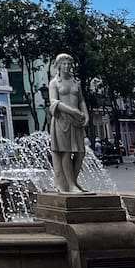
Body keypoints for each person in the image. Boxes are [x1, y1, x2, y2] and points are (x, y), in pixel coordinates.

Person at [48, 53, 89, 193]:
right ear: (58, 66)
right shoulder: (54, 83)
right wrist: (72, 111)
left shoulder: (75, 82)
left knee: (80, 153)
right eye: (64, 64)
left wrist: (86, 115)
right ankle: (71, 185)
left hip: (76, 122)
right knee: (66, 152)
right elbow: (53, 102)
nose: (66, 66)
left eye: (69, 64)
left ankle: (73, 181)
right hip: (62, 120)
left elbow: (81, 100)